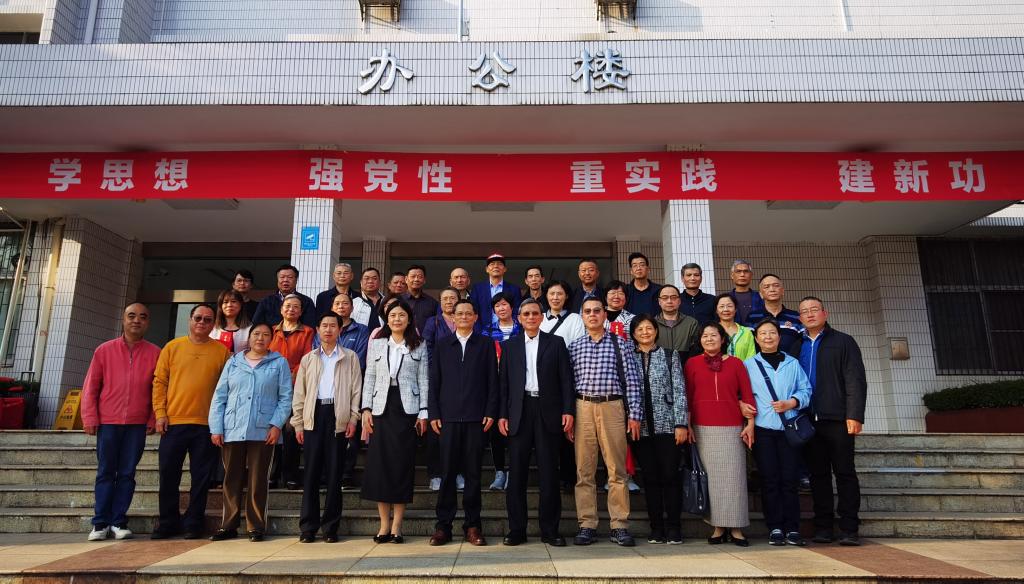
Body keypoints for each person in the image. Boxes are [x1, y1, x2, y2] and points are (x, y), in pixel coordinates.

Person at [497, 299, 575, 547]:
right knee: (517, 474)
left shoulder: (556, 343)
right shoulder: (509, 346)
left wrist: (568, 410)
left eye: (535, 313)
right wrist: (502, 414)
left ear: (541, 317)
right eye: (526, 314)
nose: (531, 317)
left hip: (548, 411)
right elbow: (503, 384)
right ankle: (516, 530)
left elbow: (566, 380)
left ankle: (550, 530)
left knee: (549, 473)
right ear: (519, 318)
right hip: (519, 412)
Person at [81, 302, 161, 541]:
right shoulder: (104, 350)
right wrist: (90, 416)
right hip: (108, 421)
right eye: (132, 316)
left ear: (148, 322)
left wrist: (153, 416)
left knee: (127, 473)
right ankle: (100, 523)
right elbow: (91, 386)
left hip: (137, 423)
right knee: (105, 471)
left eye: (142, 317)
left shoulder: (155, 353)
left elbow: (158, 389)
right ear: (123, 320)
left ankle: (118, 521)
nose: (137, 320)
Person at [151, 303, 231, 540]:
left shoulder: (221, 352)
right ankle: (167, 522)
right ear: (190, 320)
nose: (202, 323)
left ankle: (193, 522)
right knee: (168, 475)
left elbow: (227, 389)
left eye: (208, 319)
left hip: (206, 425)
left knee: (201, 478)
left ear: (213, 324)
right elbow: (159, 382)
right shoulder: (172, 347)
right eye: (198, 318)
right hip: (173, 422)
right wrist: (160, 413)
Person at [568, 297, 643, 547]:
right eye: (587, 311)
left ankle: (619, 525)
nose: (592, 315)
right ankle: (587, 524)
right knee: (584, 470)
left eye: (597, 311)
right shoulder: (575, 347)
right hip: (583, 407)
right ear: (582, 317)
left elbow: (632, 382)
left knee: (617, 470)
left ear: (604, 315)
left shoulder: (621, 344)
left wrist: (635, 415)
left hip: (612, 407)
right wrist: (569, 415)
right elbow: (569, 384)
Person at [208, 323, 293, 542]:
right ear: (249, 337)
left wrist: (276, 425)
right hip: (232, 428)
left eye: (265, 335)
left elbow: (286, 398)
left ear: (271, 339)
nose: (260, 338)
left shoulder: (279, 363)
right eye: (256, 334)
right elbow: (220, 396)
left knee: (258, 479)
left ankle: (256, 525)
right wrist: (216, 427)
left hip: (263, 429)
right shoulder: (234, 362)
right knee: (231, 478)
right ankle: (229, 524)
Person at [796, 296, 867, 547]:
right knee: (818, 476)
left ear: (824, 313)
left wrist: (854, 414)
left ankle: (849, 527)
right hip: (808, 420)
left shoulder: (843, 342)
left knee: (845, 473)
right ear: (800, 318)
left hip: (837, 418)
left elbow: (855, 379)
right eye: (805, 311)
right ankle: (823, 527)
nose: (810, 314)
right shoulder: (798, 344)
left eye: (814, 310)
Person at [427, 299, 499, 547]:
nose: (464, 317)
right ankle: (443, 526)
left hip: (476, 419)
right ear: (453, 317)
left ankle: (473, 525)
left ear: (476, 317)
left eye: (469, 313)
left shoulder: (485, 344)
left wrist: (490, 411)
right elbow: (434, 381)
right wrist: (434, 413)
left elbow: (493, 381)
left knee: (473, 474)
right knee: (447, 474)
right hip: (447, 419)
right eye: (460, 313)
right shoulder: (442, 345)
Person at [360, 302, 429, 543]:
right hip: (381, 408)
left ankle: (397, 525)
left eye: (401, 315)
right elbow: (369, 376)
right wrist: (366, 408)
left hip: (407, 409)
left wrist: (423, 412)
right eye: (392, 315)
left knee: (401, 465)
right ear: (386, 320)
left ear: (409, 319)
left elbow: (424, 379)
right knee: (380, 466)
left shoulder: (419, 344)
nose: (397, 319)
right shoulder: (377, 343)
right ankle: (384, 525)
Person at [290, 312, 362, 543]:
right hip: (314, 415)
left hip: (338, 416)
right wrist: (298, 423)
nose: (328, 329)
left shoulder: (350, 357)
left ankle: (330, 527)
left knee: (334, 473)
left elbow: (356, 391)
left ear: (340, 330)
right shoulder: (308, 359)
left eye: (333, 326)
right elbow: (299, 393)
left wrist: (353, 419)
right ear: (318, 330)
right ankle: (308, 527)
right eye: (324, 325)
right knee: (311, 473)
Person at [683, 322, 756, 547]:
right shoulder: (692, 363)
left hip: (732, 426)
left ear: (722, 339)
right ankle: (717, 527)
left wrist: (750, 423)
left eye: (714, 335)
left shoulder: (736, 363)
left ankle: (736, 528)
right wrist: (687, 425)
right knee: (711, 480)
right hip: (702, 427)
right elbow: (687, 396)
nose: (709, 339)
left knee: (734, 479)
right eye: (705, 336)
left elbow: (747, 394)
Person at [744, 318, 812, 547]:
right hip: (763, 430)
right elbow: (741, 394)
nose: (768, 337)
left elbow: (806, 389)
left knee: (789, 480)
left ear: (779, 337)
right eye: (763, 333)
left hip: (789, 429)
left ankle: (793, 528)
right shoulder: (749, 365)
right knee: (769, 479)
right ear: (756, 338)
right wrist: (743, 407)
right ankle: (774, 527)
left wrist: (791, 402)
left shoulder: (792, 363)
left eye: (772, 333)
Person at [627, 315, 688, 544]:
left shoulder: (670, 355)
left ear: (656, 331)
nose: (645, 332)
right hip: (640, 428)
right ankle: (656, 528)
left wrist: (681, 423)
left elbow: (679, 390)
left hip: (668, 426)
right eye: (640, 329)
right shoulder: (628, 356)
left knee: (670, 476)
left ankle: (674, 527)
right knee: (650, 478)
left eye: (649, 328)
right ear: (633, 334)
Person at [539, 280, 585, 492]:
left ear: (566, 297)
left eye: (560, 293)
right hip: (542, 383)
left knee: (567, 429)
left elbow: (576, 348)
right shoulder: (539, 318)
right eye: (552, 293)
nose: (555, 297)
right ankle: (549, 476)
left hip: (567, 378)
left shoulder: (575, 318)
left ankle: (568, 476)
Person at [321, 293, 370, 489]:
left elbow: (359, 357)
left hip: (350, 385)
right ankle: (325, 474)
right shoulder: (324, 329)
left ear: (352, 307)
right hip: (325, 387)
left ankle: (346, 473)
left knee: (349, 432)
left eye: (345, 303)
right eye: (337, 303)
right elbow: (319, 355)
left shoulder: (362, 330)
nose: (341, 306)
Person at [268, 294, 316, 491]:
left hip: (296, 387)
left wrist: (290, 376)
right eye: (287, 306)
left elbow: (307, 358)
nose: (291, 309)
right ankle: (271, 474)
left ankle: (290, 475)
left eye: (296, 306)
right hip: (271, 387)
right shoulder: (271, 331)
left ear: (301, 311)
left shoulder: (308, 331)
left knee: (290, 430)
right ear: (281, 309)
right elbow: (265, 356)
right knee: (273, 428)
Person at [420, 287, 459, 491]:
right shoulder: (433, 322)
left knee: (458, 429)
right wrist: (436, 370)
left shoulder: (465, 319)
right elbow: (426, 347)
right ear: (440, 302)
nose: (449, 301)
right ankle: (435, 474)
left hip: (461, 381)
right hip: (436, 378)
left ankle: (457, 472)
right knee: (436, 428)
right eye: (445, 298)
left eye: (453, 298)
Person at [747, 274, 804, 356]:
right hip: (761, 363)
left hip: (791, 363)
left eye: (776, 285)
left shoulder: (796, 317)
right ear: (761, 294)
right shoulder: (752, 317)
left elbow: (803, 343)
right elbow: (749, 345)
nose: (772, 289)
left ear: (783, 291)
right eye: (766, 287)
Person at [471, 252, 522, 334]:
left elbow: (517, 311)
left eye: (499, 264)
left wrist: (513, 330)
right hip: (483, 333)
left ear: (505, 269)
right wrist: (479, 332)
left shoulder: (514, 289)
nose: (496, 266)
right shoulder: (477, 288)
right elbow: (474, 312)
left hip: (508, 332)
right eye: (492, 264)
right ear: (487, 269)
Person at [252, 264, 317, 327]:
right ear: (277, 280)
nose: (285, 280)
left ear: (296, 280)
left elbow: (310, 325)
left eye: (290, 277)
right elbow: (256, 324)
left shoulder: (306, 301)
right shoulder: (266, 301)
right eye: (282, 277)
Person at [655, 284, 700, 358]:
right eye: (665, 298)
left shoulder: (691, 323)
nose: (669, 301)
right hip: (659, 364)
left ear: (679, 301)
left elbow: (696, 350)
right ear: (659, 301)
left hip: (685, 364)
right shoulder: (652, 324)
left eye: (673, 297)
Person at [715, 293, 755, 361]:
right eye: (721, 306)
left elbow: (751, 358)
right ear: (716, 310)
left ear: (735, 309)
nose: (726, 309)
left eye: (729, 306)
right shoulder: (712, 332)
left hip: (742, 368)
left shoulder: (746, 332)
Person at [211, 289, 252, 354]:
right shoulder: (212, 327)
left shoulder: (250, 328)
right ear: (221, 306)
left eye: (233, 301)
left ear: (241, 305)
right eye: (225, 302)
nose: (229, 305)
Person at [402, 264, 440, 333]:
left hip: (425, 339)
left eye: (420, 277)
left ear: (424, 280)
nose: (416, 279)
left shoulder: (433, 303)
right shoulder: (398, 301)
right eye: (413, 276)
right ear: (406, 279)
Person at [727, 260, 763, 326]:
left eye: (746, 271)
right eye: (738, 271)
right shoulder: (725, 298)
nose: (742, 274)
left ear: (751, 275)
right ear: (732, 275)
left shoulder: (761, 297)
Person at [625, 252, 661, 317]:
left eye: (642, 265)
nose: (638, 268)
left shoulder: (659, 290)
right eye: (635, 265)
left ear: (648, 269)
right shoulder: (625, 291)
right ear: (631, 271)